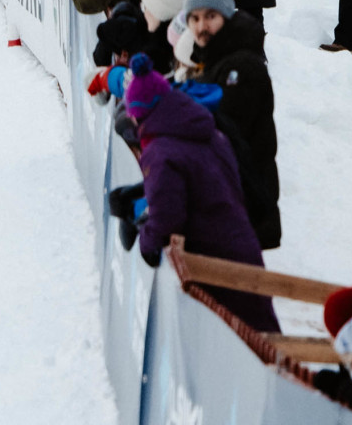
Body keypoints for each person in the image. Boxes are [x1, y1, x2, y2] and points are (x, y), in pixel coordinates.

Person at [118, 59, 280, 334]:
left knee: (250, 345)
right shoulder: (209, 130)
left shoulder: (160, 152)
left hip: (213, 261)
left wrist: (147, 241)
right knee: (264, 335)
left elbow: (167, 217)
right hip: (243, 245)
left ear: (139, 114)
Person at [182, 0, 279, 250]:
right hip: (225, 195)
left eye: (210, 17)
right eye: (195, 18)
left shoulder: (241, 66)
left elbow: (224, 127)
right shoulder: (214, 61)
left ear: (226, 17)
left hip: (243, 199)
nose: (202, 27)